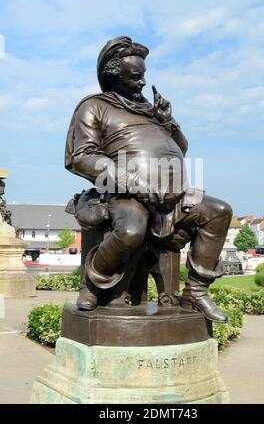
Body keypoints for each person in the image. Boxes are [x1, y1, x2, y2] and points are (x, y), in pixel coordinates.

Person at [65, 36, 232, 322]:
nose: (143, 83)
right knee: (131, 231)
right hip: (125, 194)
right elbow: (82, 156)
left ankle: (196, 291)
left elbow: (182, 147)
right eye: (136, 77)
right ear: (114, 75)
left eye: (144, 76)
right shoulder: (94, 107)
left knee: (219, 212)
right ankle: (93, 282)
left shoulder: (152, 111)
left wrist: (167, 121)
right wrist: (133, 182)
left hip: (173, 197)